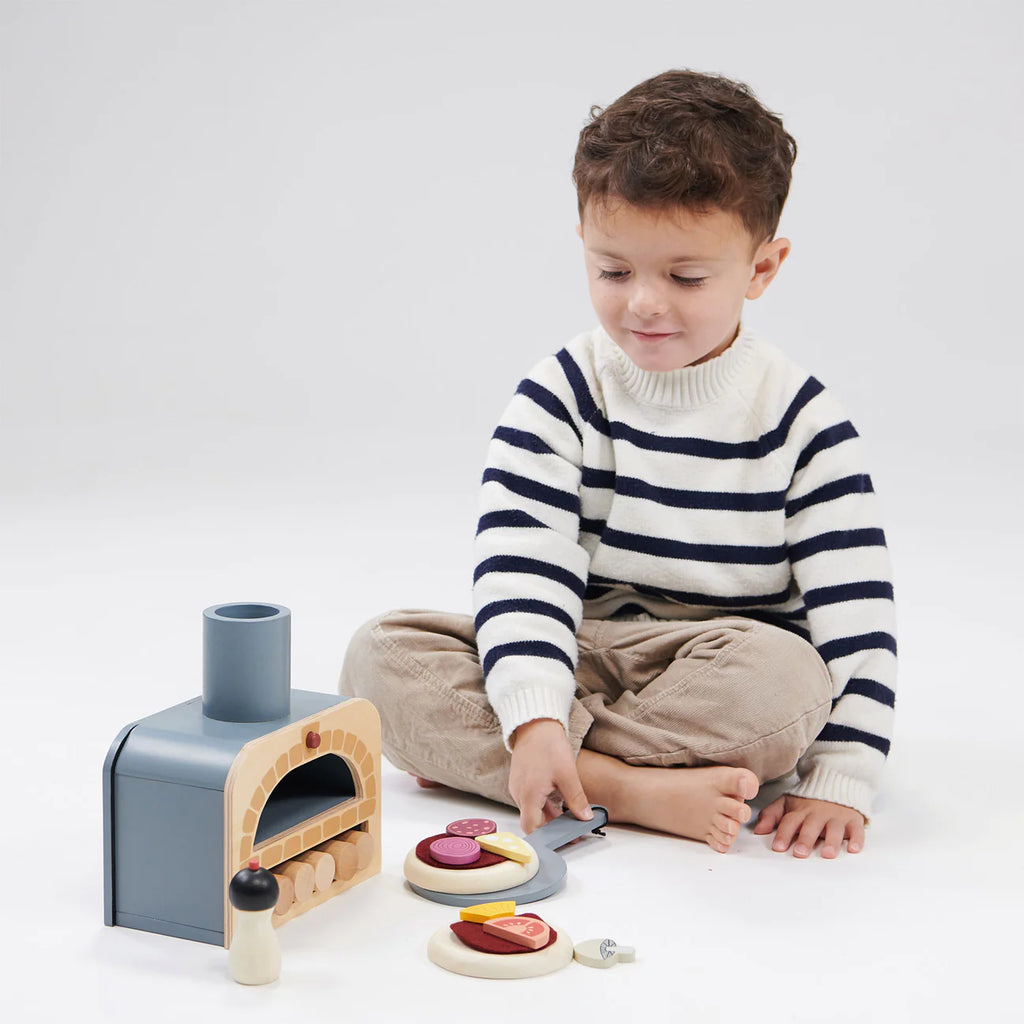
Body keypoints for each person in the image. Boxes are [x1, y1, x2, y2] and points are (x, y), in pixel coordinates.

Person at [340, 69, 896, 859]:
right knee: (377, 660)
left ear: (762, 269)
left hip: (721, 664)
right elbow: (520, 564)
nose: (643, 303)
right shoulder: (560, 393)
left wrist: (841, 776)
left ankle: (520, 763)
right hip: (577, 649)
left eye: (686, 276)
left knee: (788, 684)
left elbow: (858, 623)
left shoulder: (803, 423)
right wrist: (533, 711)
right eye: (613, 270)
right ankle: (620, 783)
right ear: (584, 249)